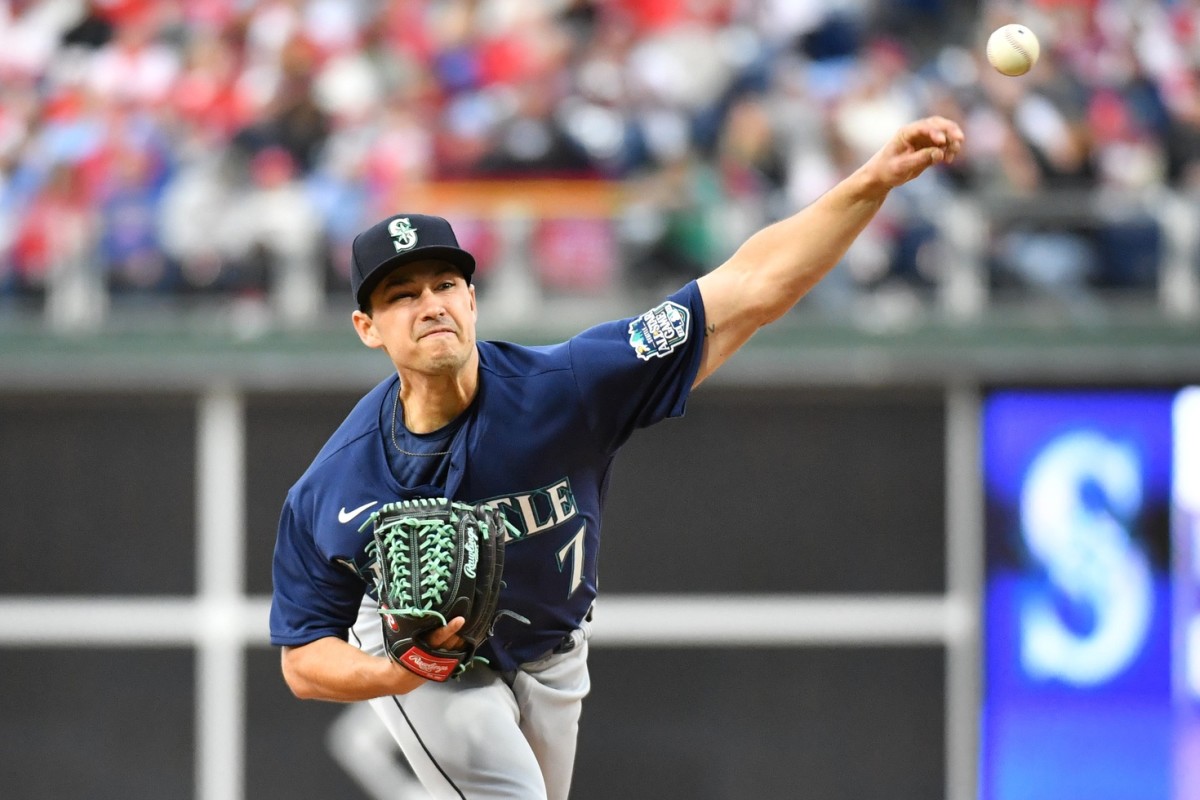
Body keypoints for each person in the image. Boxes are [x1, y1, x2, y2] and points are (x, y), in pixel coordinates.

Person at [269, 115, 964, 799]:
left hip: (553, 650)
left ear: (473, 299)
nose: (431, 305)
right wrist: (399, 669)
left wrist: (872, 182)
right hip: (428, 661)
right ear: (367, 327)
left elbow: (751, 287)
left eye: (445, 285)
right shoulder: (340, 482)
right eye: (402, 295)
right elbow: (303, 660)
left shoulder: (567, 388)